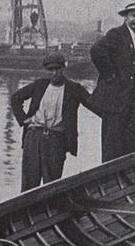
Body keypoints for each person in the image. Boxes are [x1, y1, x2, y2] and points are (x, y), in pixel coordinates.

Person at [10, 53, 93, 190]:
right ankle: (29, 211)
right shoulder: (39, 85)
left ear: (63, 68)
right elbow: (16, 98)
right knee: (29, 185)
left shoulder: (74, 89)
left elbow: (93, 104)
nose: (54, 73)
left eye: (58, 69)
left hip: (56, 142)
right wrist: (23, 119)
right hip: (33, 139)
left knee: (52, 186)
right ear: (46, 71)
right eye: (50, 70)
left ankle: (51, 211)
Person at [89, 2, 135, 161]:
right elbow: (96, 50)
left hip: (131, 97)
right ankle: (109, 180)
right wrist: (110, 75)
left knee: (133, 141)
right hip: (115, 98)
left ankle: (127, 178)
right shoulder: (117, 34)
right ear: (125, 17)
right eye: (133, 15)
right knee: (112, 143)